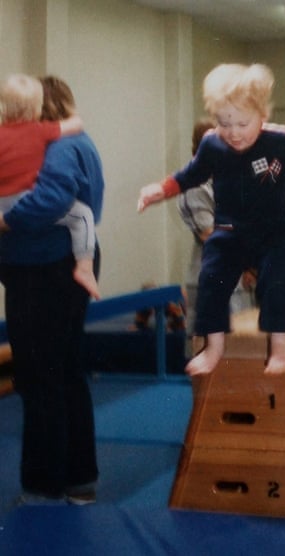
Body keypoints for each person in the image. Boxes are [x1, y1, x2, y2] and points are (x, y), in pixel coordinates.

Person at [138, 63, 285, 376]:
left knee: (280, 280)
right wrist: (159, 189)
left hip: (272, 233)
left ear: (263, 114)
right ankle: (214, 347)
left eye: (242, 123)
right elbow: (189, 175)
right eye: (223, 123)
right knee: (211, 279)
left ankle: (280, 348)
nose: (233, 132)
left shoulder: (280, 140)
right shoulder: (212, 144)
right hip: (230, 231)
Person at [0, 76, 104, 505]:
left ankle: (45, 485)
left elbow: (53, 199)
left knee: (40, 376)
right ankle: (79, 479)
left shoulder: (59, 148)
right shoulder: (77, 143)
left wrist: (4, 222)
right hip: (53, 265)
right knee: (63, 371)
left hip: (44, 269)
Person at [0, 73, 100, 299]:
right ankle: (85, 267)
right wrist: (8, 222)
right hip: (41, 250)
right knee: (83, 215)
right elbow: (52, 200)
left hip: (5, 209)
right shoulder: (45, 134)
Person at [177, 118, 255, 355]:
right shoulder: (194, 185)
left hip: (238, 275)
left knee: (243, 345)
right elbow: (212, 234)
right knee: (210, 353)